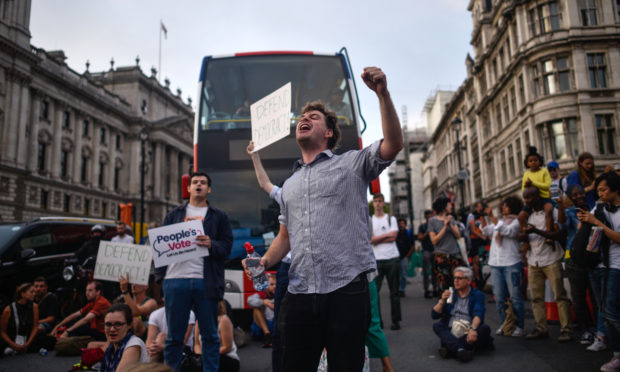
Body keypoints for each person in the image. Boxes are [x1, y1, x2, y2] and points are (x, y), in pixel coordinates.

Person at [245, 66, 402, 371]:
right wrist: (264, 262)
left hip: (347, 288)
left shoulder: (352, 163)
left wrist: (382, 94)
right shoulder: (289, 185)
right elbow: (285, 238)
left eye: (314, 117)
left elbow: (393, 144)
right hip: (301, 292)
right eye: (302, 118)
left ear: (329, 133)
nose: (304, 119)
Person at [154, 171, 233, 372]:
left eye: (203, 182)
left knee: (209, 336)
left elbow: (226, 247)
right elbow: (160, 248)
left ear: (209, 189)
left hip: (205, 282)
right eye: (195, 182)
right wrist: (160, 278)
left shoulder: (219, 216)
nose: (199, 185)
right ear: (188, 188)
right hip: (175, 281)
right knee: (174, 338)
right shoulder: (173, 215)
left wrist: (211, 244)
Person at [246, 139, 288, 372]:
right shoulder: (287, 199)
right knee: (281, 330)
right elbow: (264, 183)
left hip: (316, 273)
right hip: (289, 271)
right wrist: (255, 156)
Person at [577, 172, 620, 371]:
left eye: (603, 190)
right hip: (604, 264)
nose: (600, 194)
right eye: (598, 190)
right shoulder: (600, 207)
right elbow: (591, 227)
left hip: (617, 266)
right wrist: (585, 220)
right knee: (607, 310)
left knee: (611, 311)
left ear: (615, 189)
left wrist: (597, 223)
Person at [519, 186, 572, 342]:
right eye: (525, 198)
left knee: (560, 296)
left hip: (551, 258)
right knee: (536, 297)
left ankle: (566, 329)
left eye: (529, 197)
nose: (527, 201)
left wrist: (536, 231)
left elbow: (559, 233)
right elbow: (520, 235)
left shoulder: (551, 212)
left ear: (537, 197)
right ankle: (541, 328)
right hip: (533, 260)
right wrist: (523, 235)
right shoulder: (527, 215)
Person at [562, 184, 602, 349]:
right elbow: (563, 229)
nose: (579, 196)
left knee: (595, 296)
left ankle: (599, 330)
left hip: (592, 258)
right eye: (575, 194)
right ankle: (586, 329)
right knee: (578, 296)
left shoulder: (595, 210)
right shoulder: (569, 213)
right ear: (570, 197)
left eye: (581, 193)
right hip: (573, 258)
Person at [482, 197, 525, 337]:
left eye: (506, 206)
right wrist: (482, 217)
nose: (503, 209)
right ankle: (505, 324)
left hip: (511, 262)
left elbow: (508, 231)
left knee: (515, 296)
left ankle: (519, 325)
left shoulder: (516, 221)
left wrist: (493, 217)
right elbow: (486, 231)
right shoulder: (499, 222)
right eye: (503, 206)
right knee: (499, 297)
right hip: (496, 263)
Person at [431, 267, 493, 362]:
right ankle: (461, 350)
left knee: (485, 329)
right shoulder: (451, 294)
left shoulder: (477, 294)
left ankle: (451, 349)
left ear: (468, 281)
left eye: (459, 278)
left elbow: (478, 313)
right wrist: (442, 301)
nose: (456, 281)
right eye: (455, 278)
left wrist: (473, 329)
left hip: (468, 330)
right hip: (452, 330)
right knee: (437, 326)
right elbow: (434, 315)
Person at [371, 193, 402, 330]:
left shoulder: (391, 219)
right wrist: (386, 235)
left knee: (394, 292)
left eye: (380, 201)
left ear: (384, 203)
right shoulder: (370, 220)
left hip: (392, 258)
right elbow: (370, 240)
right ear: (373, 204)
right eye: (375, 201)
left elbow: (394, 237)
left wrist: (377, 239)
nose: (378, 204)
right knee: (375, 294)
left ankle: (396, 321)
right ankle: (379, 321)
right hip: (377, 260)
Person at [518, 147, 554, 250]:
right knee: (521, 217)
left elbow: (548, 185)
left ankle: (549, 235)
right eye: (530, 161)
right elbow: (524, 189)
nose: (533, 162)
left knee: (549, 210)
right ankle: (526, 241)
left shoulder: (544, 171)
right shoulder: (526, 174)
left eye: (535, 160)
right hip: (531, 201)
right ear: (527, 163)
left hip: (544, 197)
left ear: (540, 161)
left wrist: (533, 183)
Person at [100, 303, 149, 372]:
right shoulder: (111, 347)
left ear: (129, 325)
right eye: (108, 324)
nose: (112, 329)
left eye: (118, 324)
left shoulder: (134, 345)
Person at [429, 196, 462, 294]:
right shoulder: (432, 221)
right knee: (444, 286)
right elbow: (434, 240)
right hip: (441, 256)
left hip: (454, 254)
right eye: (449, 204)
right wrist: (445, 226)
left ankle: (457, 306)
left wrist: (450, 224)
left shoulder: (451, 219)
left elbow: (458, 235)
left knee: (457, 283)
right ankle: (446, 306)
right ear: (443, 207)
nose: (451, 206)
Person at [194, 301, 240, 372]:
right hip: (206, 356)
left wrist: (207, 354)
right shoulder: (199, 320)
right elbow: (197, 344)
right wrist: (199, 355)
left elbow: (227, 347)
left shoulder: (224, 320)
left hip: (225, 357)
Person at [146, 297, 195, 363]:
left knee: (162, 336)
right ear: (163, 298)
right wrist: (154, 347)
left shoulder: (189, 313)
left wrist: (162, 346)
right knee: (158, 342)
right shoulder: (155, 314)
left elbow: (182, 343)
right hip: (160, 349)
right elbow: (149, 341)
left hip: (184, 351)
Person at [0, 283, 39, 354]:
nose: (34, 294)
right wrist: (13, 345)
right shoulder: (8, 309)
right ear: (23, 294)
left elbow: (35, 327)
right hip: (12, 337)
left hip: (27, 337)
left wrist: (28, 343)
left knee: (49, 340)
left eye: (34, 292)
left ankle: (24, 347)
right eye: (31, 292)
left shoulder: (34, 307)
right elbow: (2, 332)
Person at [247, 274, 276, 348]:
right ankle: (267, 335)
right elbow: (249, 300)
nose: (274, 286)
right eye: (272, 284)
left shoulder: (280, 295)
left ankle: (273, 336)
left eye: (276, 284)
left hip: (275, 325)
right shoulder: (262, 295)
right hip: (263, 327)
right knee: (256, 308)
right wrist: (263, 302)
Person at [467, 201, 488, 288]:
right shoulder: (471, 216)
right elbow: (472, 230)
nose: (481, 208)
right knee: (476, 260)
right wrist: (481, 236)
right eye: (479, 206)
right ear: (476, 208)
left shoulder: (483, 216)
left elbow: (485, 227)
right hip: (474, 240)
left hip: (482, 240)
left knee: (483, 258)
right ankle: (477, 278)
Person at [418, 210, 436, 298]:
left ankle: (436, 289)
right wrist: (427, 232)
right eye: (428, 216)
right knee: (426, 271)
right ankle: (426, 289)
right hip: (426, 250)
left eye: (431, 216)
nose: (430, 218)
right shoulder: (422, 226)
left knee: (435, 271)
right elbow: (419, 237)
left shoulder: (435, 226)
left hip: (435, 250)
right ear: (425, 217)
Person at [395, 218, 414, 297]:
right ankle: (396, 289)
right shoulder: (395, 233)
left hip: (404, 257)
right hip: (396, 257)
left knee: (403, 274)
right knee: (396, 275)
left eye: (403, 223)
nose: (401, 225)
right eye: (400, 223)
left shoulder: (408, 233)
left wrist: (407, 256)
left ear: (405, 224)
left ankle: (402, 290)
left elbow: (412, 246)